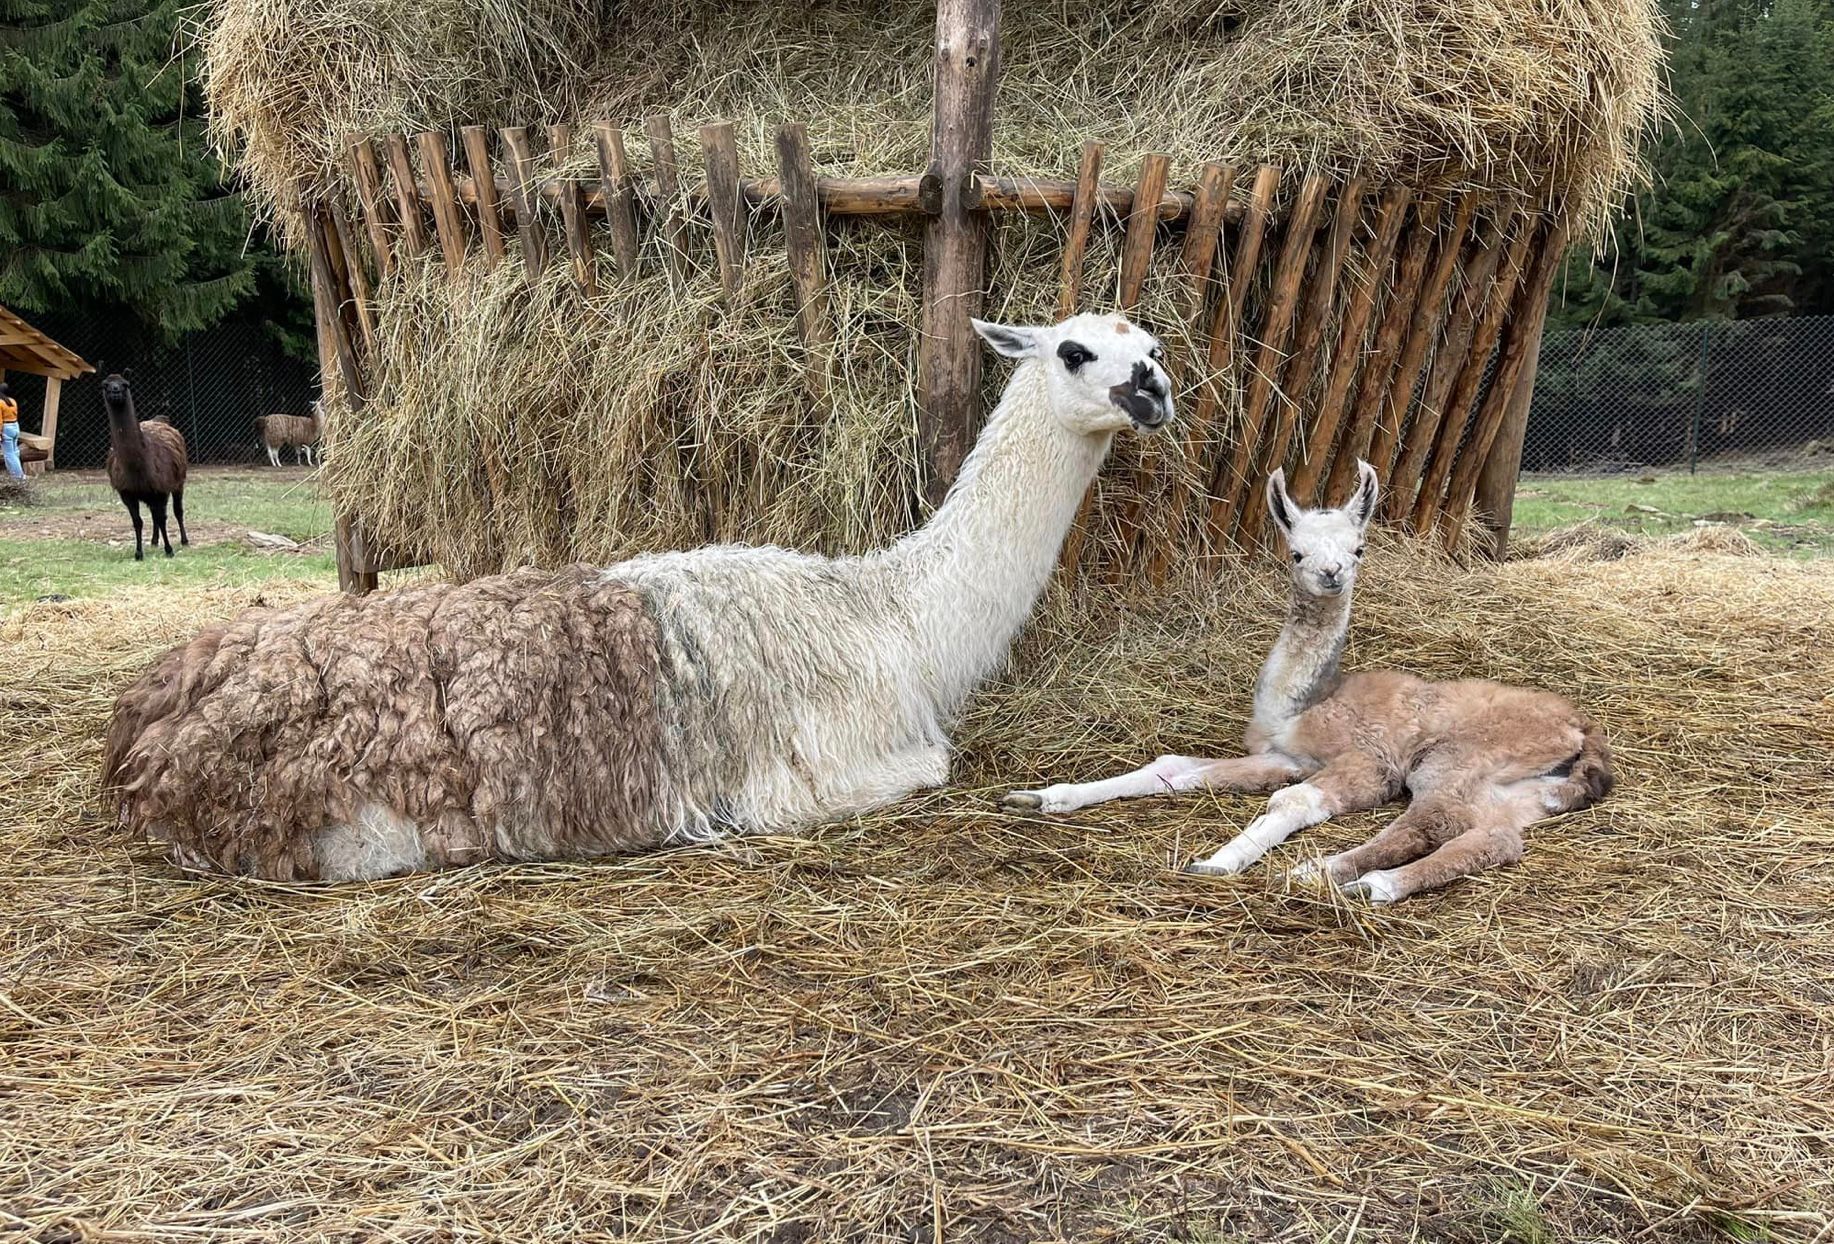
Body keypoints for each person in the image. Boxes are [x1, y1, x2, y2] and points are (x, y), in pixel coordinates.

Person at [0, 384, 22, 479]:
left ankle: (19, 476)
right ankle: (13, 474)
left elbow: (0, 420)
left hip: (6, 427)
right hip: (15, 426)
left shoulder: (0, 403)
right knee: (15, 452)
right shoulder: (13, 401)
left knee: (9, 454)